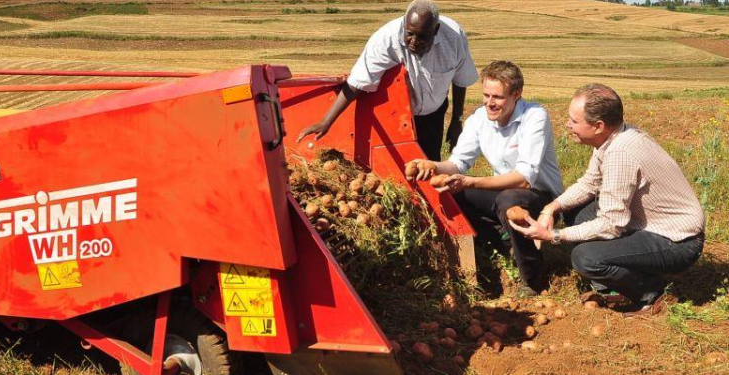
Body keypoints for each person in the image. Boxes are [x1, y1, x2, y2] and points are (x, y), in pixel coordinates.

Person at [510, 84, 705, 317]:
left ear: (598, 126)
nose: (567, 125)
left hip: (677, 241)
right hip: (649, 223)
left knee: (585, 258)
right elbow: (589, 183)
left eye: (574, 120)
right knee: (575, 211)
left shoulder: (621, 153)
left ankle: (651, 293)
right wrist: (550, 208)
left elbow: (611, 225)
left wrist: (554, 236)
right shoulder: (613, 138)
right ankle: (617, 281)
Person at [411, 60, 563, 297]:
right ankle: (503, 241)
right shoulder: (479, 119)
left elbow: (524, 178)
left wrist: (471, 181)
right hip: (502, 193)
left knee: (508, 200)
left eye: (498, 97)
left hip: (541, 197)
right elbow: (458, 163)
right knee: (454, 192)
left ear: (516, 95)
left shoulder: (535, 117)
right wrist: (434, 165)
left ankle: (533, 278)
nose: (490, 103)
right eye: (486, 95)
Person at [296, 0, 478, 161]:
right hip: (398, 116)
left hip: (434, 113)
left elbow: (461, 78)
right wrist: (326, 121)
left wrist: (457, 120)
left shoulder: (453, 37)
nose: (414, 41)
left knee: (430, 163)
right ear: (404, 24)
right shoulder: (386, 39)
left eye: (422, 36)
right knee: (402, 165)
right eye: (409, 34)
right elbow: (358, 83)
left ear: (436, 30)